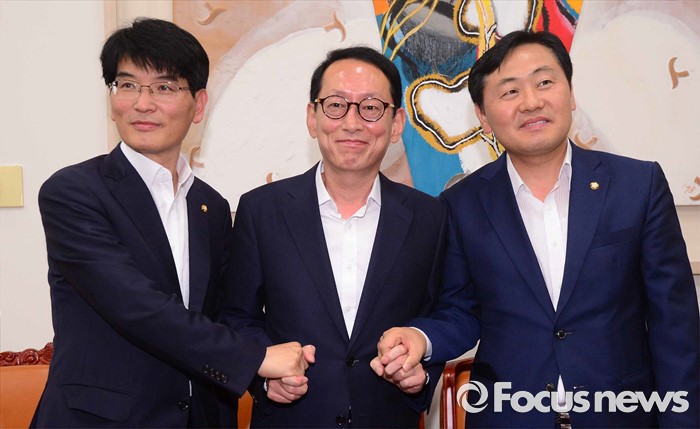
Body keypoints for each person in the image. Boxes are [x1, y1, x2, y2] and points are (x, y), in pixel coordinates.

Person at [373, 30, 699, 428]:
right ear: (483, 115)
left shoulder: (638, 186)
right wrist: (420, 339)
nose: (531, 102)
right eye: (510, 91)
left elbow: (675, 327)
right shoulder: (460, 205)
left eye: (545, 82)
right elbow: (460, 312)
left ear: (570, 93)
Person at [32, 18, 312, 428]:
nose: (142, 103)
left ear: (199, 105)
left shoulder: (210, 207)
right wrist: (255, 359)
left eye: (164, 87)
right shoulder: (74, 192)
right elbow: (134, 305)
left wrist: (262, 379)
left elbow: (221, 315)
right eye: (127, 85)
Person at [218, 46, 447, 428]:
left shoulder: (430, 217)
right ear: (313, 117)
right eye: (336, 105)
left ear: (396, 124)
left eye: (370, 107)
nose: (352, 123)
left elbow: (442, 314)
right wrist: (264, 375)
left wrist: (421, 374)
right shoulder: (261, 210)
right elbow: (236, 316)